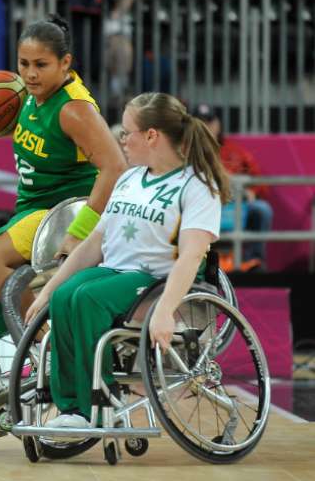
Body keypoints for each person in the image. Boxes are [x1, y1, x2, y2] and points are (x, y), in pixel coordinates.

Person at [24, 92, 229, 428]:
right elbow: (95, 242)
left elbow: (192, 255)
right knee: (64, 296)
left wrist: (164, 311)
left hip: (156, 282)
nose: (121, 138)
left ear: (152, 136)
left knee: (87, 298)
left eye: (127, 131)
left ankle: (96, 404)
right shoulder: (130, 179)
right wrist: (48, 290)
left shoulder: (197, 186)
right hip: (114, 273)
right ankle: (71, 408)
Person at [0, 16, 127, 342]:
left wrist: (79, 232)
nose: (31, 73)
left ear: (65, 63)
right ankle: (28, 355)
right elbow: (27, 132)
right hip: (35, 208)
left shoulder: (74, 108)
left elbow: (116, 167)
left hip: (63, 209)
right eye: (23, 63)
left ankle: (48, 345)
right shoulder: (28, 93)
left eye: (41, 64)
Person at [194, 103, 272, 270]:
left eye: (210, 121)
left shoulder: (236, 152)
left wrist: (253, 192)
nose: (207, 127)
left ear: (218, 124)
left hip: (236, 205)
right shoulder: (184, 152)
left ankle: (254, 262)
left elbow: (261, 183)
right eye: (201, 122)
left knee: (262, 209)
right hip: (201, 206)